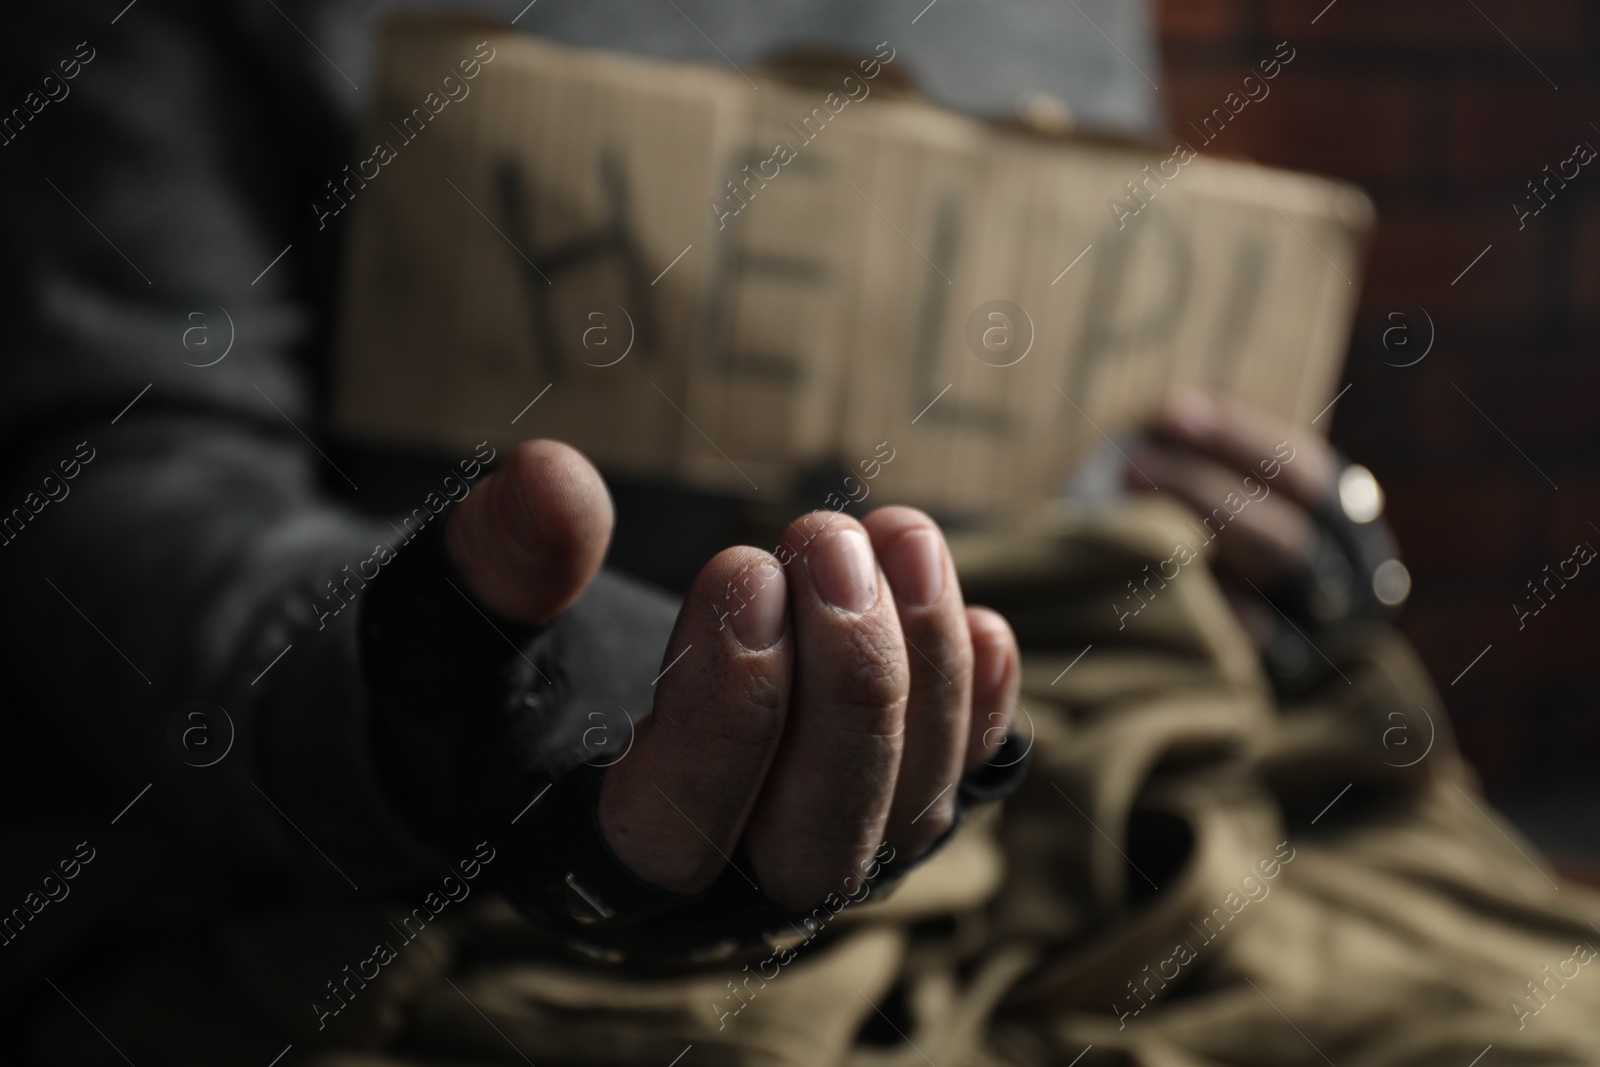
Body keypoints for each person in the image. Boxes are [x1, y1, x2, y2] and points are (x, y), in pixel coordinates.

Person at [5, 4, 1600, 1065]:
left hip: (1111, 771)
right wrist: (469, 713)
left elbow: (1105, 398)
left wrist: (1307, 562)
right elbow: (129, 487)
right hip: (449, 855)